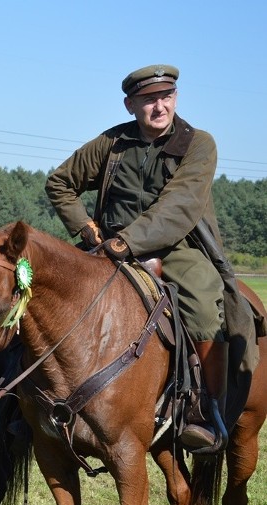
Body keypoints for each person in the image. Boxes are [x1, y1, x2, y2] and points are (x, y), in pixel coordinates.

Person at [45, 64, 236, 450]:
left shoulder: (198, 144)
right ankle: (24, 404)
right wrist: (85, 228)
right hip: (108, 247)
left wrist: (127, 242)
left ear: (176, 99)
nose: (159, 106)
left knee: (201, 308)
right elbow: (60, 183)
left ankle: (205, 410)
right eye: (149, 100)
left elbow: (177, 207)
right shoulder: (112, 143)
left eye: (166, 97)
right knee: (45, 296)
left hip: (178, 248)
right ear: (131, 104)